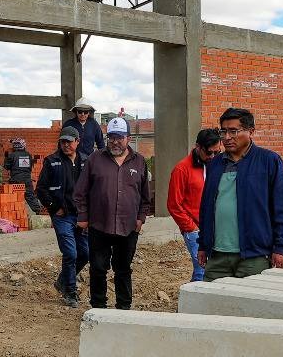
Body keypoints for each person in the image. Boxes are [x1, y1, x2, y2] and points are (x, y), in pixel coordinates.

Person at [198, 107, 283, 280]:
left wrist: (280, 248)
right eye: (223, 131)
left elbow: (281, 208)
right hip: (217, 255)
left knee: (251, 305)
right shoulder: (215, 164)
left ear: (251, 132)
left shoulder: (268, 161)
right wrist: (203, 245)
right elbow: (206, 207)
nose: (227, 137)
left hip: (253, 256)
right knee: (211, 304)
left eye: (233, 131)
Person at [73, 117, 153, 310]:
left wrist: (141, 218)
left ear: (128, 138)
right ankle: (98, 308)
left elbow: (145, 196)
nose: (115, 141)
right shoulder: (95, 159)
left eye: (119, 137)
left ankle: (124, 308)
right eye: (111, 137)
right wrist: (83, 217)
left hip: (128, 228)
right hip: (99, 225)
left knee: (123, 269)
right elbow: (80, 192)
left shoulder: (140, 162)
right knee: (98, 269)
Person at [36, 125, 89, 306]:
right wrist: (54, 207)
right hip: (62, 217)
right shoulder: (52, 161)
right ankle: (70, 292)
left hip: (81, 216)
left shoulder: (85, 161)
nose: (65, 145)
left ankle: (62, 281)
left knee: (85, 252)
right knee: (71, 253)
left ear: (77, 142)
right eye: (63, 141)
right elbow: (41, 189)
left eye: (69, 141)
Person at [168, 128, 223, 282]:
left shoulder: (216, 165)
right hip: (195, 229)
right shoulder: (181, 169)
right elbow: (174, 204)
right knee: (202, 269)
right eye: (209, 153)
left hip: (215, 227)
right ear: (198, 147)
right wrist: (191, 228)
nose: (212, 157)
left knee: (211, 269)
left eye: (216, 153)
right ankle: (192, 303)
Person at [3, 138, 44, 214]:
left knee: (14, 197)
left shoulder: (12, 155)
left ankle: (15, 213)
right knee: (30, 196)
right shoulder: (28, 155)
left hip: (16, 180)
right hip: (27, 180)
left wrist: (6, 156)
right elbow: (30, 166)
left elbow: (6, 167)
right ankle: (38, 210)